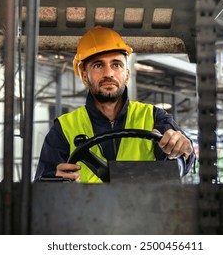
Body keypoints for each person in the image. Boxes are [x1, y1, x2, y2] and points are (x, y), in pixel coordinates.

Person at [34, 26, 195, 183]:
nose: (108, 73)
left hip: (142, 209)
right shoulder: (63, 129)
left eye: (116, 64)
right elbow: (44, 187)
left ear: (127, 75)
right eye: (98, 65)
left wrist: (185, 150)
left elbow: (181, 161)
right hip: (85, 209)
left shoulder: (154, 118)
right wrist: (57, 183)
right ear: (84, 77)